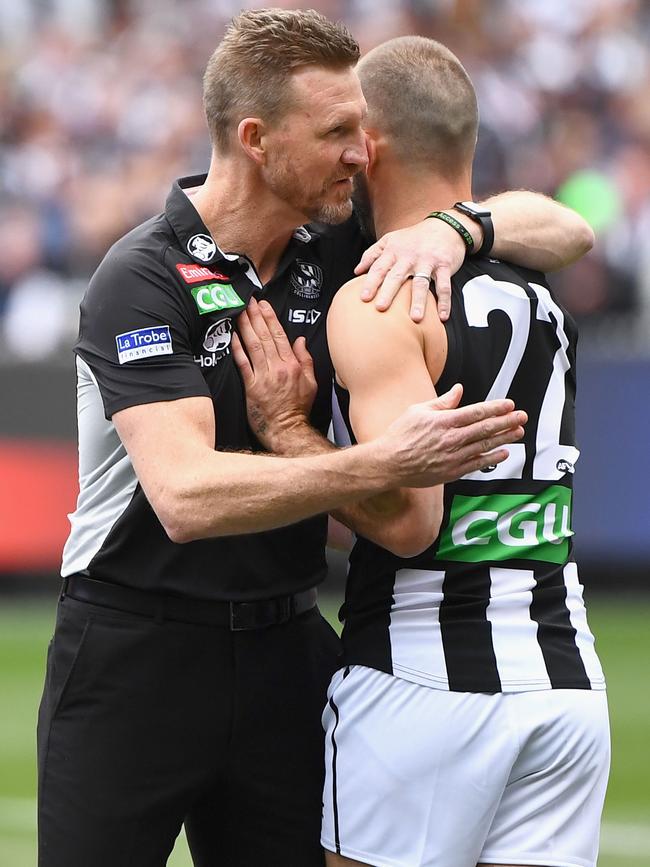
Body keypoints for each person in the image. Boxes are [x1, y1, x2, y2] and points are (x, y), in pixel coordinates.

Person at [38, 10, 594, 867]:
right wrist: (383, 462)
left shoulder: (337, 243)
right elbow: (183, 495)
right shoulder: (140, 279)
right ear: (258, 139)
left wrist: (454, 229)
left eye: (363, 132)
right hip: (135, 650)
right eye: (337, 131)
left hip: (286, 647)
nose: (360, 153)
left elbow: (566, 231)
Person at [314, 37, 609, 867]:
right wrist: (465, 225)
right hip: (563, 683)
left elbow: (409, 523)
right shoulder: (534, 284)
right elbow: (573, 229)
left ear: (366, 149)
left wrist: (286, 442)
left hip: (419, 685)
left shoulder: (379, 298)